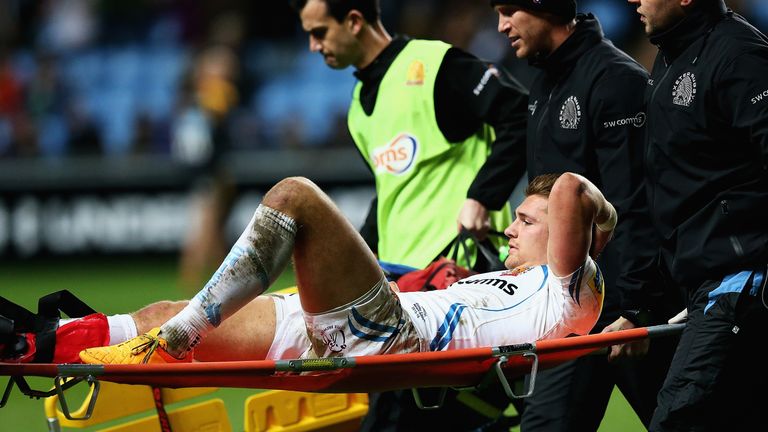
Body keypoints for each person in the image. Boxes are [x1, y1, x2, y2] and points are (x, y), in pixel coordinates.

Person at [2, 172, 604, 371]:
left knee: (295, 197)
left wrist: (602, 222)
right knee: (157, 315)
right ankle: (34, 344)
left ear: (564, 233)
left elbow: (575, 188)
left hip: (387, 336)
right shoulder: (492, 280)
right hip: (354, 323)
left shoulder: (570, 290)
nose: (509, 229)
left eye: (526, 221)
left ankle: (179, 337)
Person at [491, 1, 682, 430]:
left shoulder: (615, 81)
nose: (501, 26)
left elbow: (635, 202)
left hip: (623, 309)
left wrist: (636, 307)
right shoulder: (544, 83)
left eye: (509, 10)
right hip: (571, 310)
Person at [290, 0, 529, 273]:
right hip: (402, 278)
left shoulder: (434, 64)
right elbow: (391, 190)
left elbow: (520, 116)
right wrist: (357, 255)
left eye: (319, 32)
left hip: (459, 271)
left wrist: (482, 198)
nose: (313, 46)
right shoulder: (357, 106)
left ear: (354, 22)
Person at [625, 0, 768, 430]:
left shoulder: (739, 54)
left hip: (741, 279)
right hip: (698, 281)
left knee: (678, 418)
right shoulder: (670, 58)